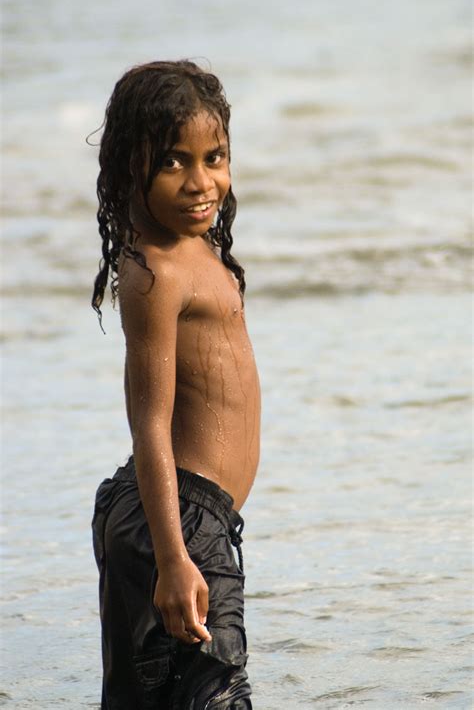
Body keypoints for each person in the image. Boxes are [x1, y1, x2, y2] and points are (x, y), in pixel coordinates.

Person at [90, 60, 261, 709]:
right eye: (173, 163)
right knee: (217, 697)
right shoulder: (153, 273)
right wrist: (172, 558)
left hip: (167, 512)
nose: (201, 181)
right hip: (180, 524)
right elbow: (150, 423)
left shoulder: (195, 243)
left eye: (213, 156)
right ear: (131, 167)